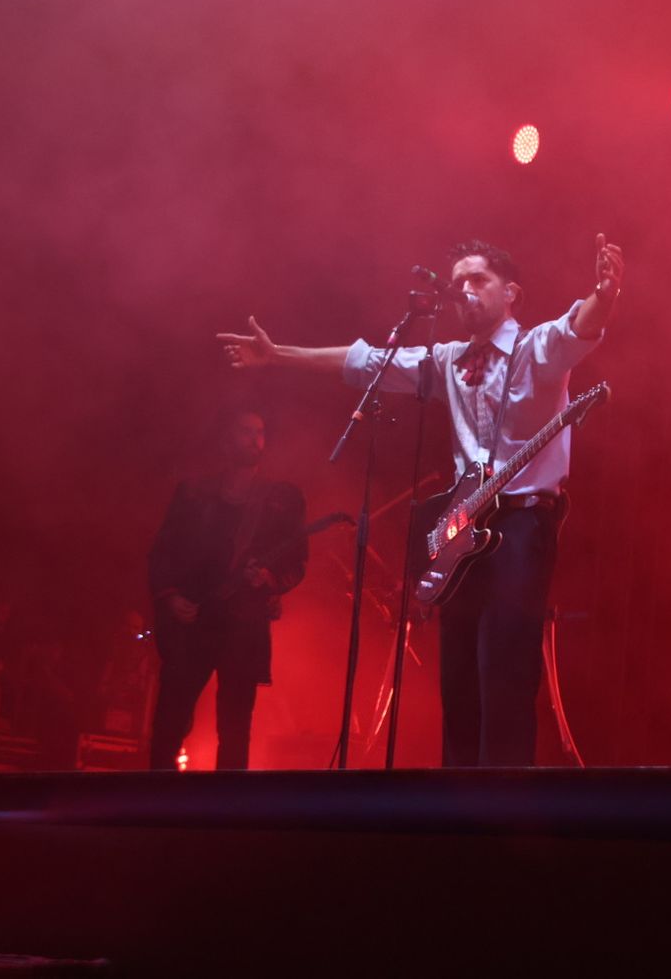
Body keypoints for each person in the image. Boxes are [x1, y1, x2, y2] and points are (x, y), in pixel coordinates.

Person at [216, 234, 624, 766]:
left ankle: (505, 807)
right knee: (457, 672)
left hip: (522, 525)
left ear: (511, 294)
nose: (464, 291)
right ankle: (455, 808)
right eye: (457, 284)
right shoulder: (447, 360)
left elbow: (579, 328)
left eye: (478, 280)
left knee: (503, 664)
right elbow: (370, 364)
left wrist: (607, 294)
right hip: (461, 532)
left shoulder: (535, 348)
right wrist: (277, 357)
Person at [147, 410, 308, 770]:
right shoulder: (193, 494)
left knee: (235, 731)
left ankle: (226, 812)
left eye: (260, 432)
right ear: (225, 441)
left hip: (243, 627)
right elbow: (162, 552)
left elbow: (296, 564)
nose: (254, 439)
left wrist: (267, 578)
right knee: (169, 721)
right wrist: (171, 597)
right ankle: (154, 802)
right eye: (245, 432)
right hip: (193, 623)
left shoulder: (279, 501)